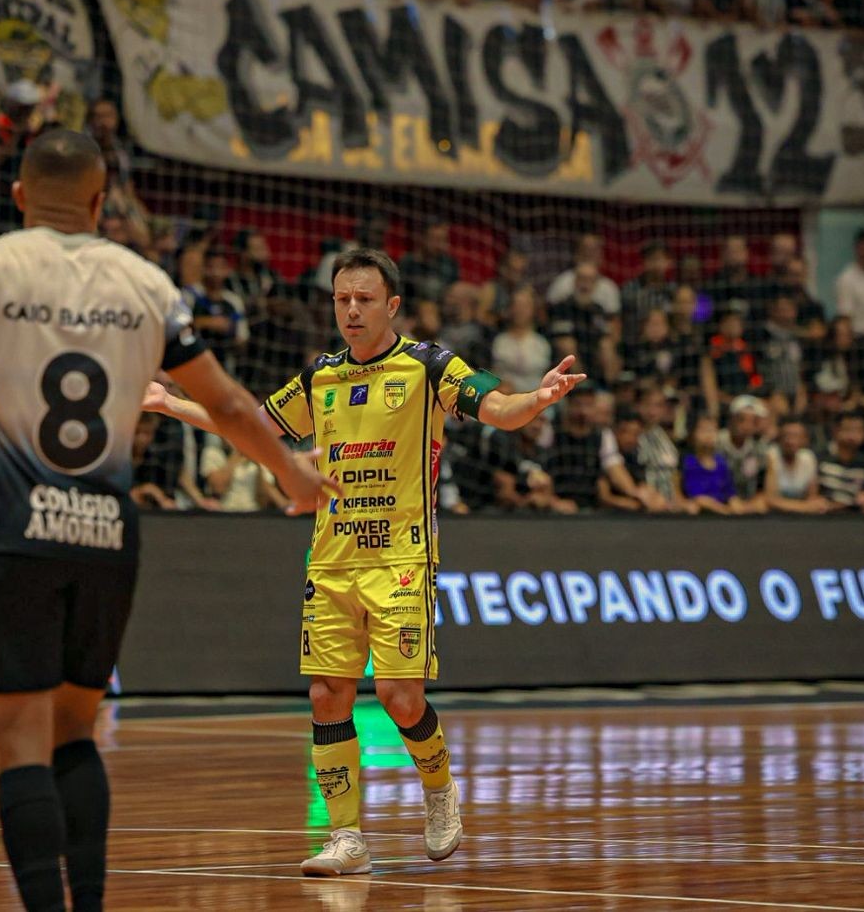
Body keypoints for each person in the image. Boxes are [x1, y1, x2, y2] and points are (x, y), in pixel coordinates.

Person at [0, 129, 331, 912]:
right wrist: (292, 471)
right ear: (102, 203)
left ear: (19, 195)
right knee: (78, 732)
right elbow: (230, 403)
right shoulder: (146, 282)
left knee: (19, 746)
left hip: (12, 530)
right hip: (106, 534)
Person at [144, 246, 585, 876]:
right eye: (342, 299)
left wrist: (536, 399)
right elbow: (253, 426)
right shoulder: (321, 375)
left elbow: (497, 409)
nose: (351, 311)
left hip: (402, 558)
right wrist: (170, 404)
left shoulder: (430, 366)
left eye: (365, 300)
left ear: (393, 306)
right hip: (331, 558)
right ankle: (346, 839)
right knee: (327, 696)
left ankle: (439, 790)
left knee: (401, 698)